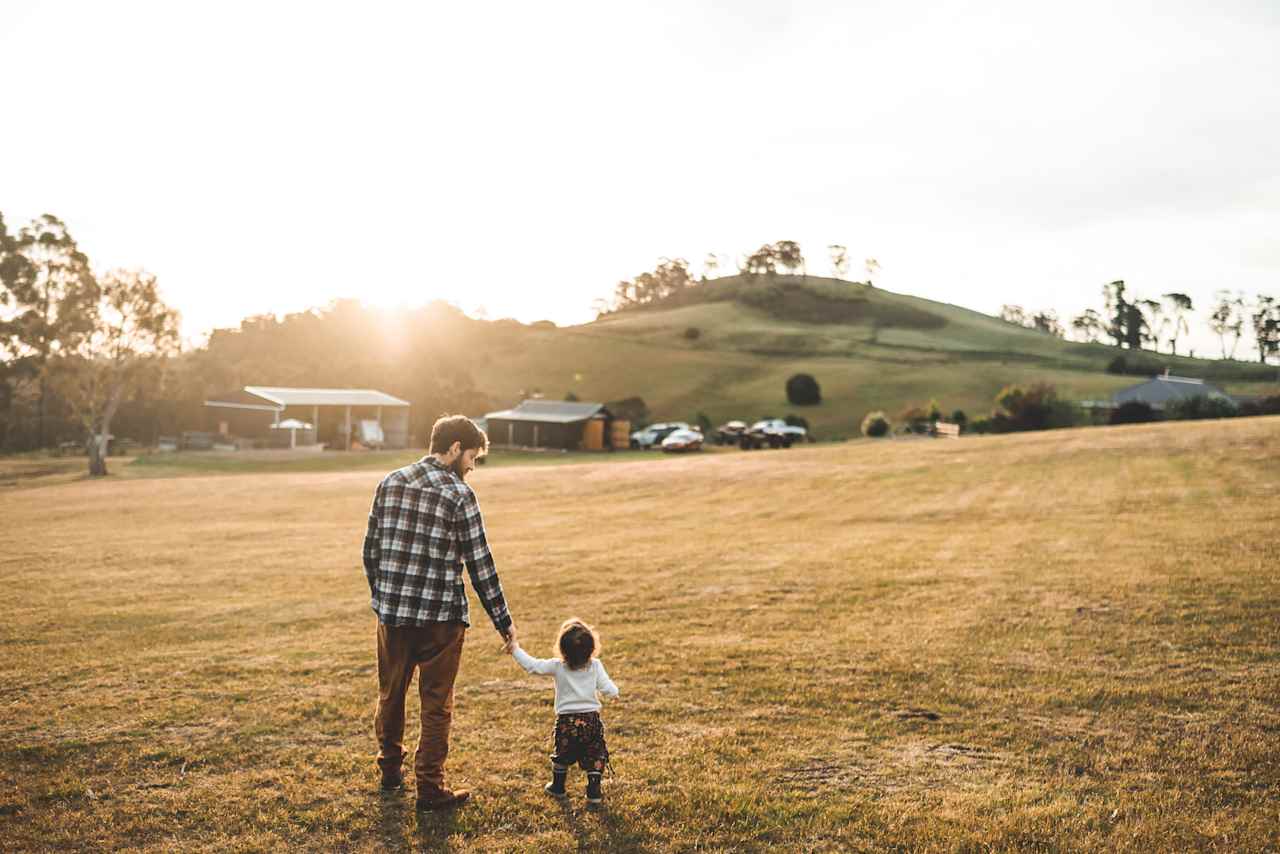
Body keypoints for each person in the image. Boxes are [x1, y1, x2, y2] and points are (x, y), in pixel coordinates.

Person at [362, 414, 516, 811]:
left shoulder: (390, 481)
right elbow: (480, 563)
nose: (472, 466)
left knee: (390, 694)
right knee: (436, 704)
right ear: (453, 449)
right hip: (441, 620)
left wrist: (384, 597)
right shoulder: (458, 494)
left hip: (392, 615)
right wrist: (504, 622)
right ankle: (430, 789)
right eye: (471, 457)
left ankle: (390, 772)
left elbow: (371, 550)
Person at [509, 618, 619, 804]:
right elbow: (606, 686)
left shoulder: (557, 666)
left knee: (563, 753)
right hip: (591, 720)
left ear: (562, 648)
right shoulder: (595, 665)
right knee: (594, 754)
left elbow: (532, 665)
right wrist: (614, 693)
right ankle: (593, 791)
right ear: (592, 647)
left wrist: (515, 649)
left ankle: (558, 787)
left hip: (567, 722)